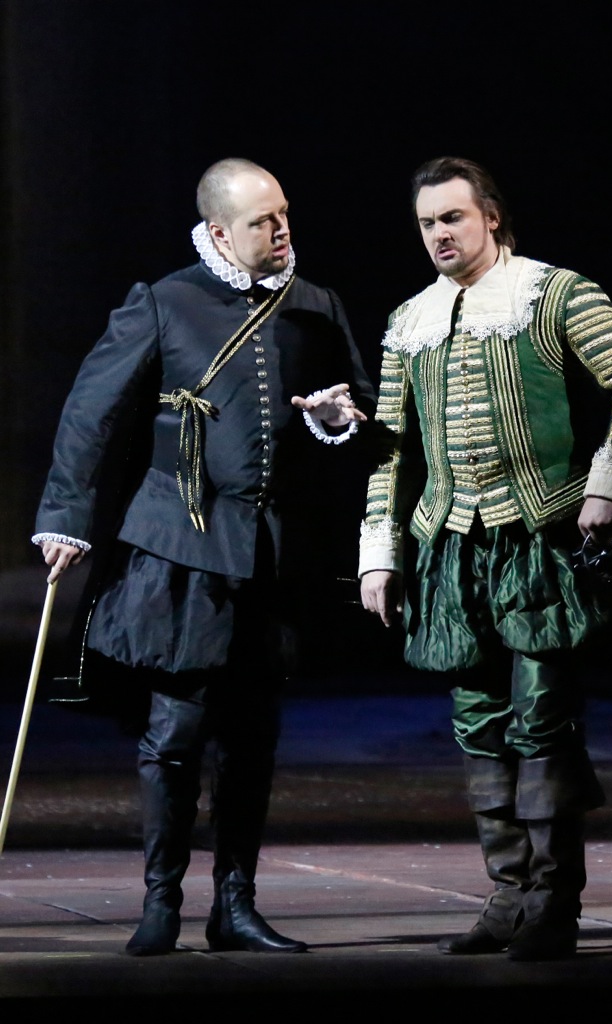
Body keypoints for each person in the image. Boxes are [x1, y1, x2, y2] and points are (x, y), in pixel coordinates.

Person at [33, 157, 376, 957]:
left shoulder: (317, 305)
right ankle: (161, 903)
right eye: (262, 221)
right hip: (179, 548)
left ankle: (235, 907)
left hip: (269, 555)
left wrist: (337, 419)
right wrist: (64, 519)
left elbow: (363, 412)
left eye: (284, 213)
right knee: (176, 733)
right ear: (220, 233)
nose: (281, 230)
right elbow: (90, 412)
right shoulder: (164, 301)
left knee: (253, 737)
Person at [359, 156, 612, 961]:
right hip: (450, 548)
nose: (439, 234)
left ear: (490, 216)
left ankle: (553, 901)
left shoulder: (554, 293)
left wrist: (607, 487)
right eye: (427, 223)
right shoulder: (410, 321)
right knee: (477, 721)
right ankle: (507, 895)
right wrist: (378, 555)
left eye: (452, 217)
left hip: (538, 540)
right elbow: (391, 450)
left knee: (542, 717)